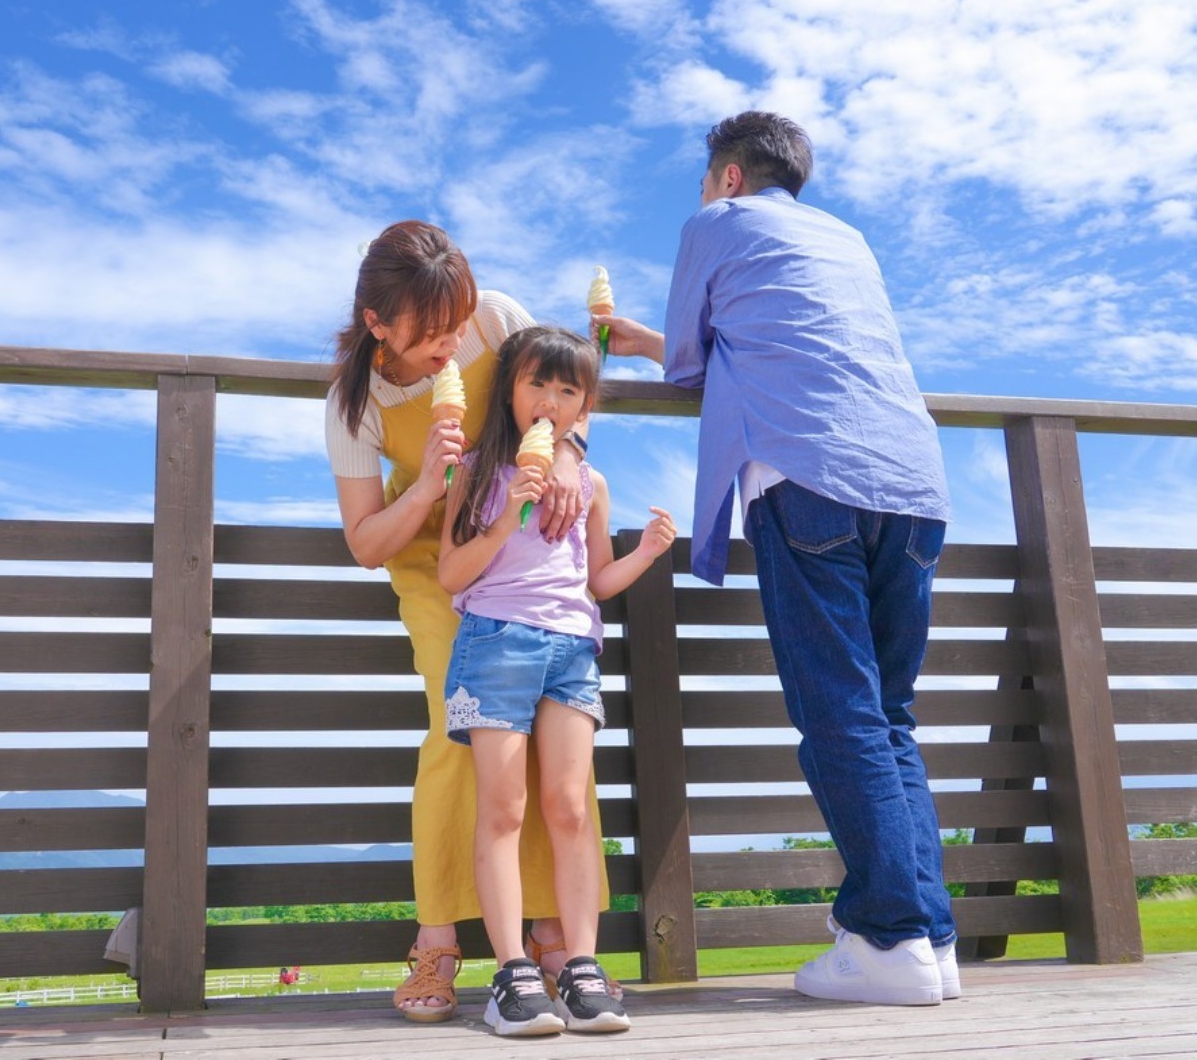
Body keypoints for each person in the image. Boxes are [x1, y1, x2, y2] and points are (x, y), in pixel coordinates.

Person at [596, 111, 960, 1006]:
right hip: (914, 487)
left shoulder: (716, 225)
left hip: (809, 478)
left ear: (726, 176)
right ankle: (932, 940)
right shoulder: (847, 240)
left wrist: (643, 343)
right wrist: (650, 343)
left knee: (840, 717)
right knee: (889, 718)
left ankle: (888, 936)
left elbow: (690, 360)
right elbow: (732, 348)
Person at [324, 221, 612, 1022]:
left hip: (535, 552)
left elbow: (566, 390)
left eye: (458, 324)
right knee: (462, 727)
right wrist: (423, 490)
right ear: (379, 324)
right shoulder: (355, 403)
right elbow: (365, 543)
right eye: (429, 335)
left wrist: (560, 454)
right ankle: (439, 936)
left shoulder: (496, 320)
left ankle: (557, 931)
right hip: (440, 557)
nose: (450, 346)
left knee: (559, 728)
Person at [438, 325, 675, 1036]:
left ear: (583, 407)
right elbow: (451, 574)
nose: (549, 401)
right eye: (536, 383)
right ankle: (511, 971)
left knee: (570, 810)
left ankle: (579, 968)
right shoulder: (476, 470)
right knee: (504, 810)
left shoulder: (591, 482)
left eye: (567, 390)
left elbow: (597, 580)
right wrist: (510, 508)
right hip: (494, 644)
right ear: (508, 387)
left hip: (572, 649)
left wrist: (649, 552)